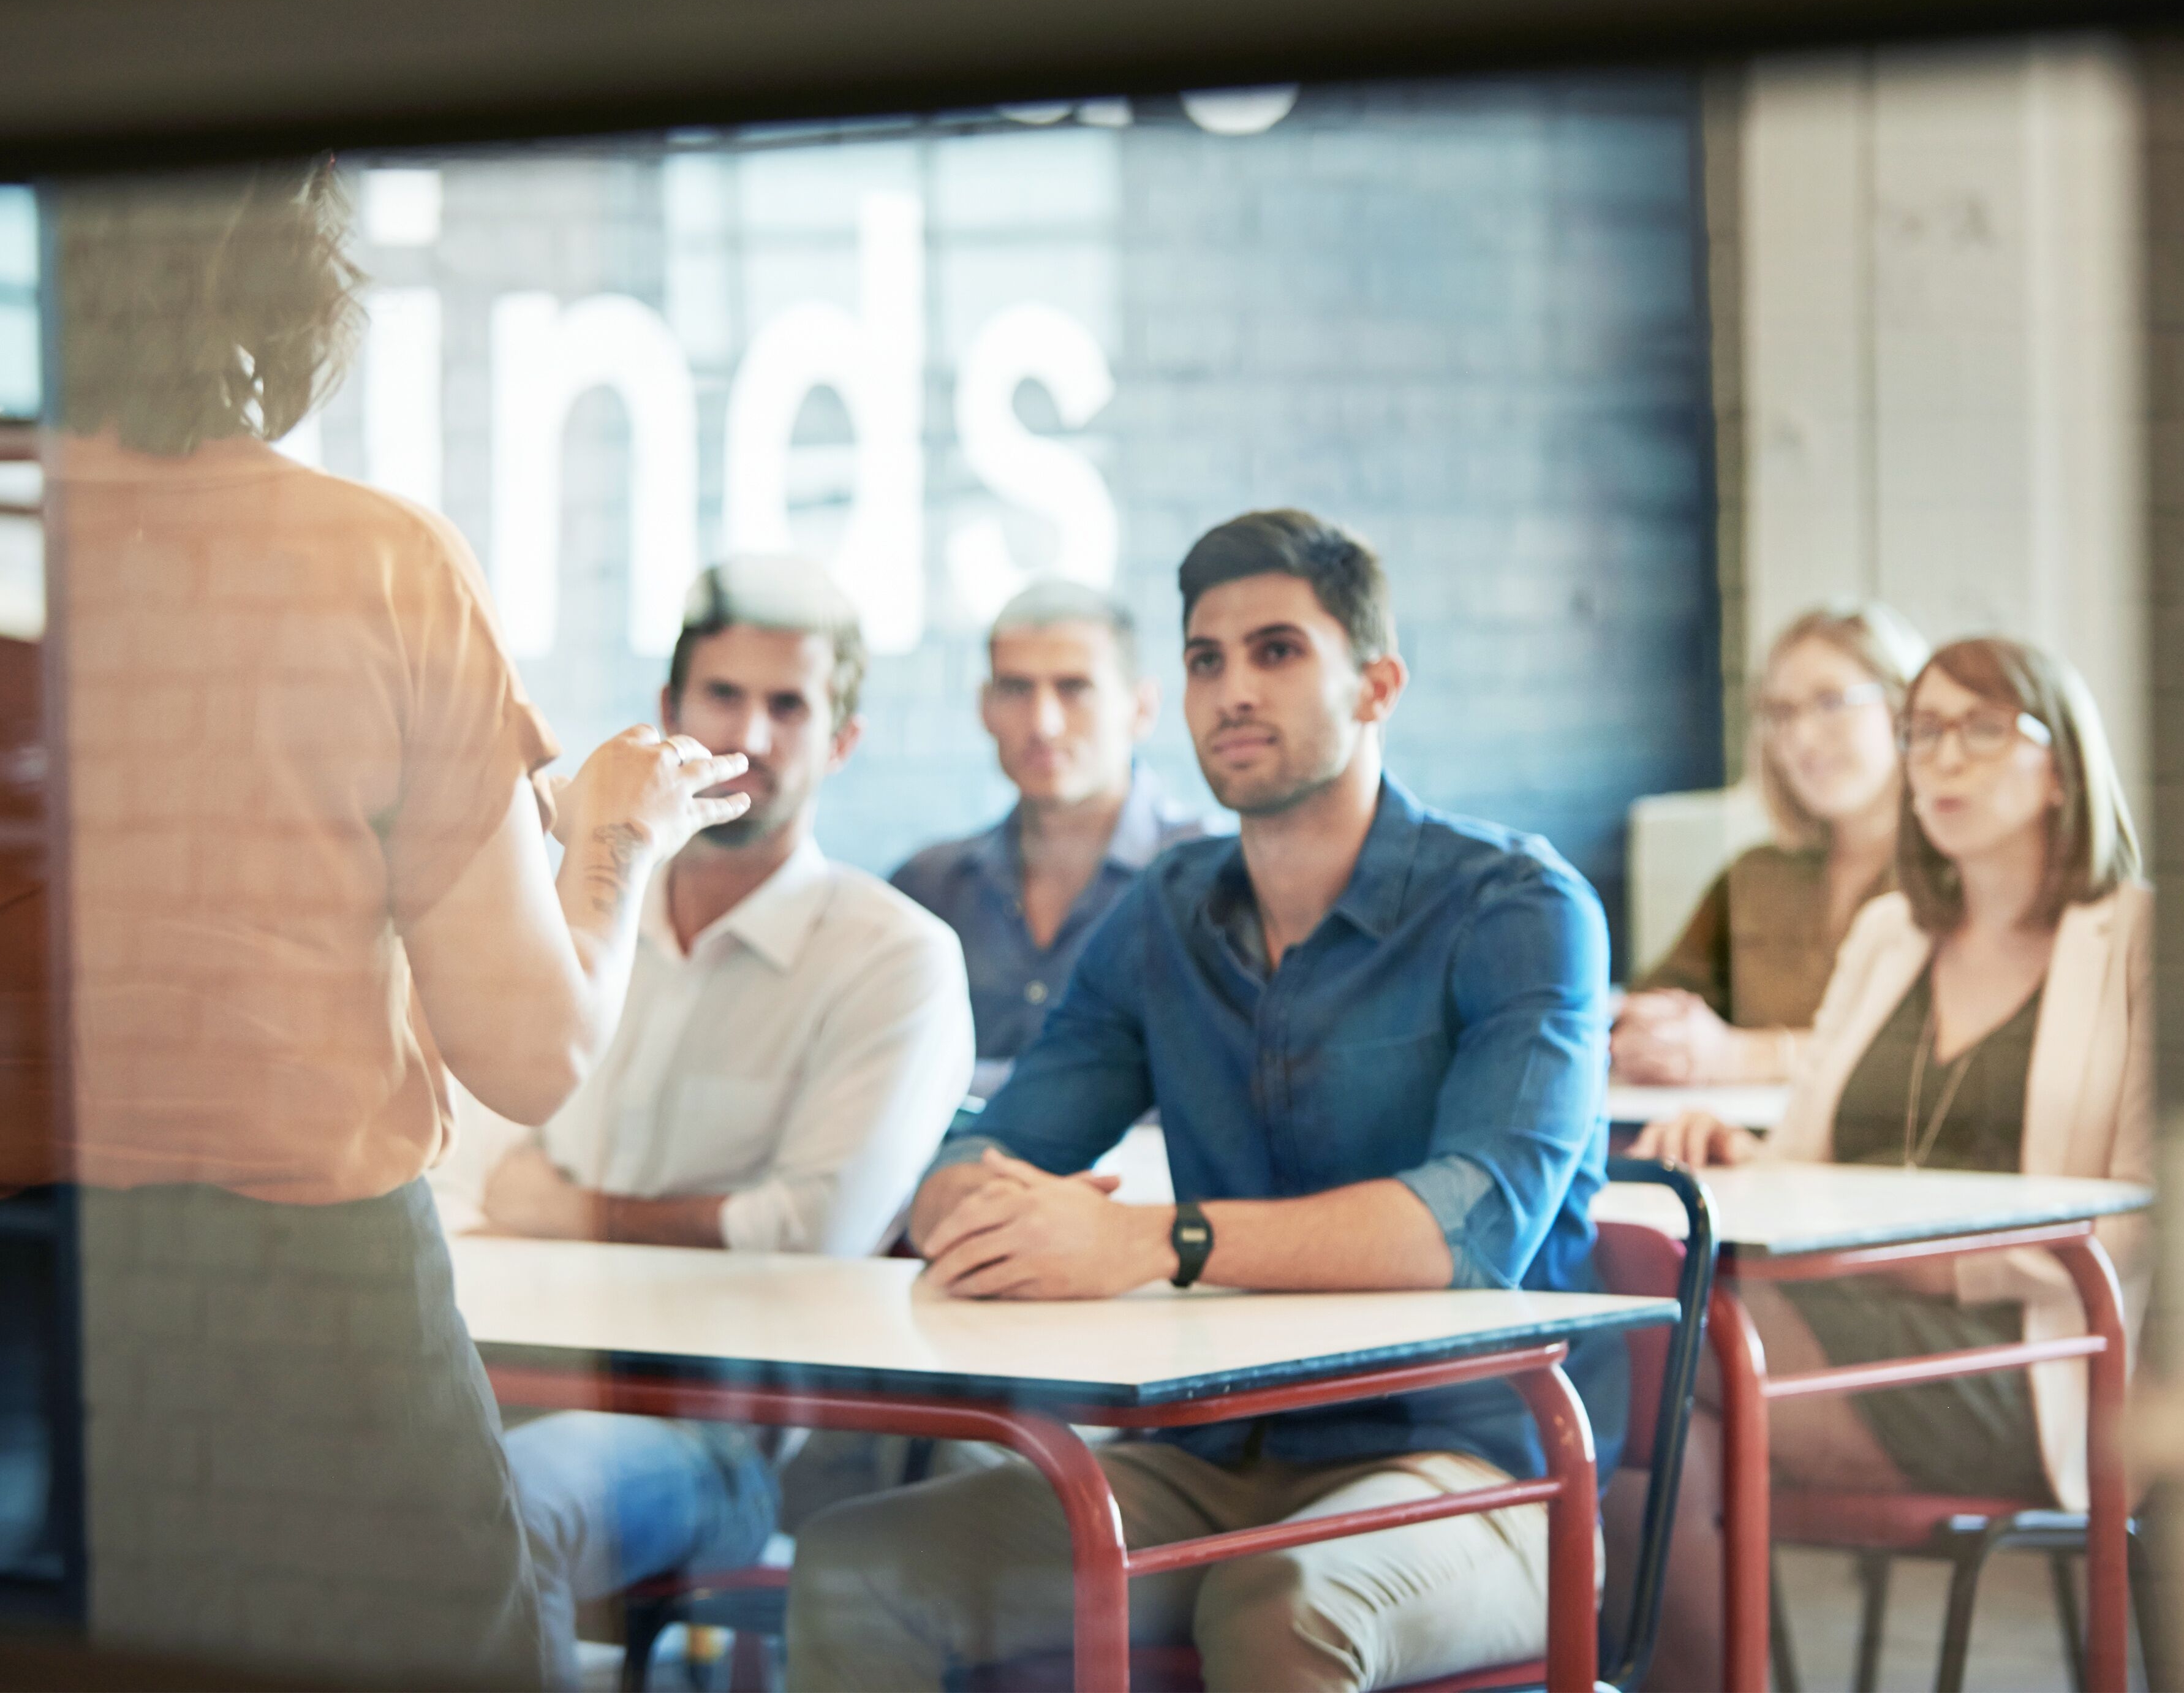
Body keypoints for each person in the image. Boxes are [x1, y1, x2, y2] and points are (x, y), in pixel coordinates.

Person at [0, 162, 749, 1685]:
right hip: (307, 1333)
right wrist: (620, 839)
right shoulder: (381, 565)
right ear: (275, 276)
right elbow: (532, 1047)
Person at [785, 509, 1617, 1693]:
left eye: (1277, 652)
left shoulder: (1519, 907)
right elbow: (979, 1161)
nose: (1232, 690)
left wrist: (1142, 1241)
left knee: (1280, 1604)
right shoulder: (1167, 912)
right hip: (1214, 1450)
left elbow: (1464, 1232)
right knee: (857, 1563)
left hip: (1484, 1465)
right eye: (1204, 659)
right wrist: (985, 1207)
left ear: (1374, 685)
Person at [439, 554, 974, 1687]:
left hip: (723, 1447)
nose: (754, 736)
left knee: (501, 1507)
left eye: (791, 707)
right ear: (667, 718)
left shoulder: (895, 960)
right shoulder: (575, 926)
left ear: (840, 742)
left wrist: (569, 1210)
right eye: (723, 699)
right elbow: (469, 1171)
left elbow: (809, 1233)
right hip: (497, 1380)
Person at [1634, 635, 2152, 1689]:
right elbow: (1810, 1153)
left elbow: (2137, 1221)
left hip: (2024, 1360)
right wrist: (1743, 1157)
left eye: (1979, 730)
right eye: (1921, 732)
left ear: (2060, 765)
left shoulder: (2132, 938)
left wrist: (1913, 1265)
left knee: (1660, 1357)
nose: (1938, 761)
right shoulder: (1889, 934)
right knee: (1657, 1393)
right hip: (1841, 1320)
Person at [891, 578, 1215, 1094]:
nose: (1042, 723)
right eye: (1016, 689)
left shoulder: (1215, 881)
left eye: (1074, 688)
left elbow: (1216, 1088)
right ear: (984, 709)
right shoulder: (926, 889)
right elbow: (875, 1077)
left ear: (1142, 707)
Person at [1612, 600, 1926, 1085]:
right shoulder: (1754, 877)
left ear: (1902, 709)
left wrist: (1746, 1056)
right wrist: (1652, 1033)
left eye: (1830, 702)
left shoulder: (1953, 879)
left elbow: (1936, 1057)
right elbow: (1651, 1001)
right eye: (1780, 713)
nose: (1801, 738)